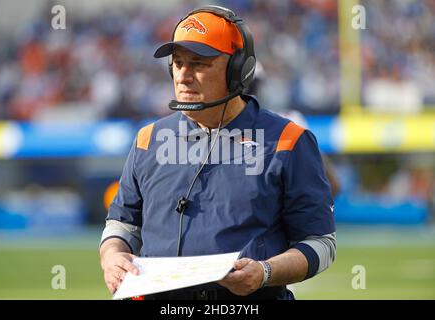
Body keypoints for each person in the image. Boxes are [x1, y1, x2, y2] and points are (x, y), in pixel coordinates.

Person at [99, 5, 336, 300]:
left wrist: (265, 272)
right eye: (178, 63)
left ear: (238, 69)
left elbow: (320, 244)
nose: (183, 76)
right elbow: (122, 224)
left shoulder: (289, 140)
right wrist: (112, 257)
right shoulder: (148, 140)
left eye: (199, 63)